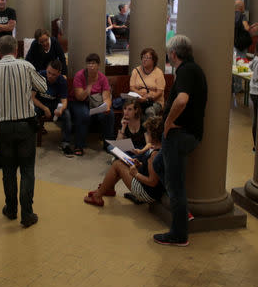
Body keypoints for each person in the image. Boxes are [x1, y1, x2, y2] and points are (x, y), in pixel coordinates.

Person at [0, 35, 47, 228]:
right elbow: (43, 86)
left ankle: (10, 209)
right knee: (27, 170)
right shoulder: (26, 66)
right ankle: (27, 213)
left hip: (3, 127)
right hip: (26, 126)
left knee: (8, 170)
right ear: (16, 51)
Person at [152, 35, 207, 247]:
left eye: (168, 52)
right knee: (158, 164)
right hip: (186, 134)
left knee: (176, 186)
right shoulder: (193, 70)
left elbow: (182, 100)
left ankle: (179, 234)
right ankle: (182, 211)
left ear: (173, 54)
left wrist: (168, 123)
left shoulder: (185, 71)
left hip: (179, 136)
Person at [83, 116, 165, 207]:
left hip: (147, 193)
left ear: (153, 135)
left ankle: (98, 196)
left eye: (148, 133)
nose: (147, 135)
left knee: (117, 164)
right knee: (122, 162)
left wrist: (136, 174)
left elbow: (152, 181)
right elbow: (152, 170)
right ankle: (107, 188)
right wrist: (140, 164)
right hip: (150, 189)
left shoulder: (154, 155)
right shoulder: (160, 149)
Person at [69, 53, 115, 156]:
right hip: (79, 101)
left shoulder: (102, 78)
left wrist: (106, 106)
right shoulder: (80, 75)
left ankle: (108, 145)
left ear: (98, 65)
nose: (91, 66)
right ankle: (79, 145)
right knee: (84, 114)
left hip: (95, 103)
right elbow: (79, 96)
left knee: (109, 114)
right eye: (89, 63)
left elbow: (106, 97)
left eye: (93, 63)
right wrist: (88, 89)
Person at [31, 59, 73, 156]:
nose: (50, 76)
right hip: (39, 103)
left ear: (59, 73)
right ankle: (29, 141)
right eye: (49, 72)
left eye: (53, 74)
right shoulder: (40, 76)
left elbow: (64, 101)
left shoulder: (62, 80)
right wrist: (45, 108)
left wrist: (61, 109)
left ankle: (65, 144)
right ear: (46, 69)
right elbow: (32, 98)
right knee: (31, 113)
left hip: (54, 104)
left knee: (67, 114)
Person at [129, 47, 166, 118]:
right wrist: (140, 94)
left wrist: (149, 98)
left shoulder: (158, 73)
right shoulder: (136, 71)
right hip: (138, 100)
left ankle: (150, 128)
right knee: (130, 109)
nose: (144, 60)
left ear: (153, 60)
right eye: (143, 57)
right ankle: (133, 128)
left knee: (149, 111)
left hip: (155, 101)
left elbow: (160, 91)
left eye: (147, 58)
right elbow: (132, 88)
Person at [249, 38, 258, 152]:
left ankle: (256, 144)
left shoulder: (256, 59)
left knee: (256, 118)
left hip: (253, 91)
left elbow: (250, 67)